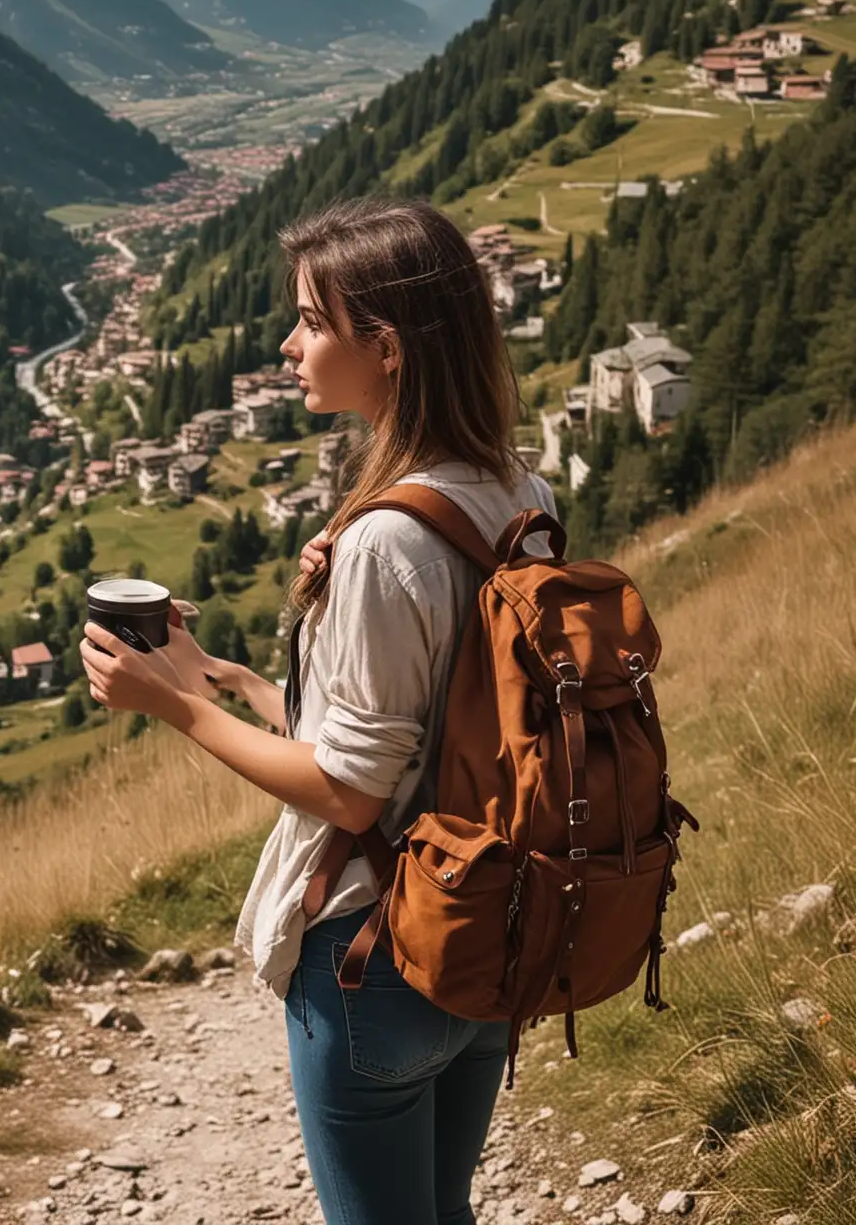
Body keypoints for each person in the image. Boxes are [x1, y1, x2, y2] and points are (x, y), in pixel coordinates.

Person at [80, 198, 556, 1225]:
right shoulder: (520, 492)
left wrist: (172, 706)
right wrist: (241, 684)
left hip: (376, 954)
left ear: (383, 347)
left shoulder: (389, 543)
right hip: (488, 927)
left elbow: (351, 789)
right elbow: (449, 725)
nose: (288, 345)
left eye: (309, 320)